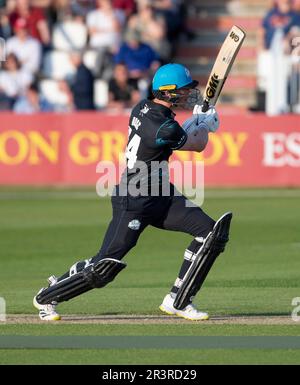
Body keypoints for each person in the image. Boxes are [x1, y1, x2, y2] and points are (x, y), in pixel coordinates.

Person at [33, 63, 232, 322]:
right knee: (104, 267)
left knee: (210, 233)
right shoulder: (163, 126)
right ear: (168, 92)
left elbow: (176, 133)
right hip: (134, 199)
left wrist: (194, 121)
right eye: (183, 91)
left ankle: (179, 300)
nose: (187, 94)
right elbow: (198, 144)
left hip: (161, 195)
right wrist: (205, 124)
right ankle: (48, 295)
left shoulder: (144, 107)